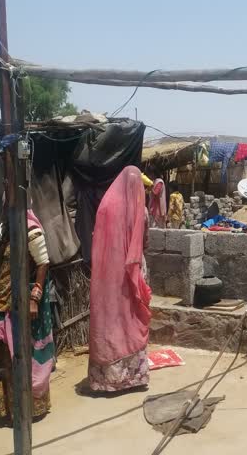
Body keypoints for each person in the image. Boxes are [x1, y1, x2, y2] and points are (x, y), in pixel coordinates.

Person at [88, 165, 152, 392]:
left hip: (106, 276)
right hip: (132, 271)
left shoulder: (105, 206)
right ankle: (132, 378)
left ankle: (104, 380)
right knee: (131, 317)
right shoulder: (139, 209)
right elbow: (144, 241)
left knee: (109, 319)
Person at [0, 209, 55, 419]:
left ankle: (30, 409)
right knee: (7, 357)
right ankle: (12, 409)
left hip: (22, 303)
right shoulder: (5, 228)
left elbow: (43, 263)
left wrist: (34, 299)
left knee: (25, 354)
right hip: (4, 303)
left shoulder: (31, 229)